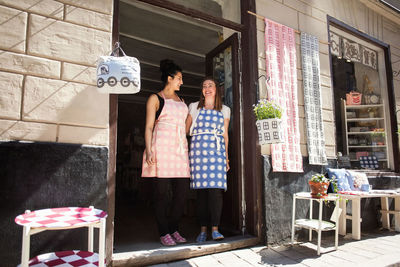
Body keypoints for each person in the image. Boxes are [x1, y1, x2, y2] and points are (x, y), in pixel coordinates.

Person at [142, 59, 190, 246]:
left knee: (181, 193)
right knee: (161, 194)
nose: (181, 82)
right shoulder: (155, 99)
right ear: (169, 79)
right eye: (179, 78)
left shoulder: (183, 101)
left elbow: (185, 126)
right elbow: (148, 127)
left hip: (180, 149)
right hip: (161, 148)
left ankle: (174, 228)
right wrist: (148, 149)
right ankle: (164, 232)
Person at [185, 77, 231, 242]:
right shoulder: (194, 107)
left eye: (210, 85)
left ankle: (215, 229)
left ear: (217, 89)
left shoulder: (225, 109)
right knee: (201, 194)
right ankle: (203, 230)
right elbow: (186, 129)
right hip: (198, 153)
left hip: (217, 153)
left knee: (216, 193)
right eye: (204, 86)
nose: (207, 88)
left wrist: (226, 157)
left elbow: (225, 134)